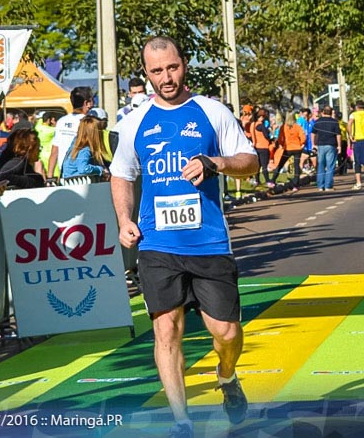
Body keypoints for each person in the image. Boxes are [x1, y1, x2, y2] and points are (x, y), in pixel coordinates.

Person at [110, 36, 258, 437]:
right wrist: (124, 218)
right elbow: (122, 173)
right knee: (165, 330)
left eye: (172, 67)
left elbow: (251, 162)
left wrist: (216, 163)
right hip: (158, 245)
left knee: (226, 333)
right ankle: (182, 421)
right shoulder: (134, 121)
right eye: (156, 71)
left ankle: (227, 377)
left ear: (184, 64)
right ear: (146, 74)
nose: (166, 77)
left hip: (208, 242)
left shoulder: (212, 111)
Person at [47, 86, 94, 180]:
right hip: (84, 175)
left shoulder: (61, 121)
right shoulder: (88, 123)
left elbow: (54, 150)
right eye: (93, 100)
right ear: (87, 103)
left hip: (65, 174)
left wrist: (49, 177)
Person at [61, 115, 110, 181]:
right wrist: (101, 169)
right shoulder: (85, 149)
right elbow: (83, 169)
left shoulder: (76, 144)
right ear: (94, 134)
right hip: (78, 184)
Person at [270, 111, 306, 192]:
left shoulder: (283, 127)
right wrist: (301, 144)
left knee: (280, 164)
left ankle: (273, 180)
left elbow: (280, 137)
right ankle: (295, 185)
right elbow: (303, 137)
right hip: (297, 148)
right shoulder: (297, 127)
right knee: (296, 166)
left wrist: (282, 144)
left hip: (287, 149)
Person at [312, 106, 342, 191]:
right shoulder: (334, 122)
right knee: (330, 165)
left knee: (320, 165)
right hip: (331, 145)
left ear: (323, 112)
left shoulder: (317, 122)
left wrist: (313, 144)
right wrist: (339, 146)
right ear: (331, 112)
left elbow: (313, 133)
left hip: (320, 145)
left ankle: (320, 186)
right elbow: (338, 135)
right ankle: (328, 185)